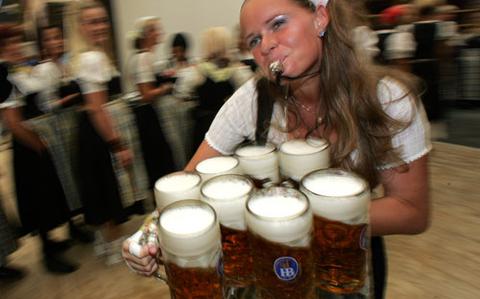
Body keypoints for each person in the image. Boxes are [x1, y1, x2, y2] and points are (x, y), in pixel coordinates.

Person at [123, 1, 431, 298]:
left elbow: (412, 211)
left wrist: (289, 221)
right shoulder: (254, 99)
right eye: (254, 39)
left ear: (320, 17)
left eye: (278, 24)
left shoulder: (387, 97)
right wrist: (148, 234)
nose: (266, 44)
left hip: (348, 263)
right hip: (276, 269)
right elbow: (189, 179)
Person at [0, 24, 78, 274]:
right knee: (39, 197)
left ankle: (52, 243)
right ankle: (47, 253)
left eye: (16, 41)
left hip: (34, 140)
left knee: (47, 194)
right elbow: (12, 122)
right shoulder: (4, 75)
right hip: (27, 144)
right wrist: (39, 144)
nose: (16, 46)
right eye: (8, 43)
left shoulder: (18, 70)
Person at [70, 1, 133, 265]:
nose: (100, 26)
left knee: (95, 183)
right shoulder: (93, 58)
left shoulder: (85, 56)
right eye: (92, 22)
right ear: (81, 27)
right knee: (105, 183)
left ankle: (103, 241)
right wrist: (118, 144)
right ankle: (113, 245)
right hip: (96, 129)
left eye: (103, 20)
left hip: (86, 128)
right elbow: (97, 109)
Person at [31, 24, 95, 244]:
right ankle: (70, 225)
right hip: (57, 128)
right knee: (64, 175)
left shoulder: (65, 65)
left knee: (75, 173)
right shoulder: (45, 69)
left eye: (58, 37)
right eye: (50, 39)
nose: (56, 42)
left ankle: (76, 223)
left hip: (71, 123)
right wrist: (72, 98)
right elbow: (46, 104)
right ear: (43, 44)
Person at [174, 26, 253, 156]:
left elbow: (180, 93)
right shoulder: (238, 71)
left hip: (204, 128)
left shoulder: (195, 72)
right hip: (231, 127)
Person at [127, 16, 175, 189]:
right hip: (147, 115)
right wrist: (166, 88)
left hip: (150, 113)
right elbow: (146, 94)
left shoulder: (148, 57)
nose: (160, 32)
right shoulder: (143, 58)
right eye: (156, 29)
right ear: (147, 34)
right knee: (158, 160)